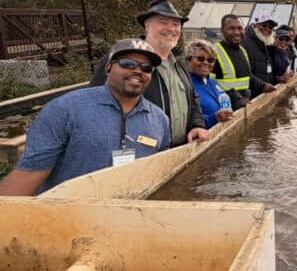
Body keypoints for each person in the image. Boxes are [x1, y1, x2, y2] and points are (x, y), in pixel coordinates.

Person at [0, 39, 170, 196]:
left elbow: (160, 173)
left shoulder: (160, 119)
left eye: (146, 67)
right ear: (108, 67)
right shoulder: (65, 109)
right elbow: (28, 173)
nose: (138, 71)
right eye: (128, 64)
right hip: (71, 220)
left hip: (130, 218)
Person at [90, 0, 208, 147]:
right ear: (147, 26)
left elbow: (193, 98)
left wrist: (197, 125)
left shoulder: (180, 64)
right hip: (140, 152)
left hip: (180, 151)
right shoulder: (122, 58)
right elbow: (95, 101)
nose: (171, 29)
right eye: (163, 22)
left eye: (176, 24)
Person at [213, 14, 275, 110]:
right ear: (222, 31)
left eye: (239, 28)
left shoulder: (242, 50)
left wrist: (262, 85)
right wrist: (235, 99)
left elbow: (247, 75)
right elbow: (208, 84)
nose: (237, 32)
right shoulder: (214, 52)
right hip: (224, 111)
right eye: (231, 28)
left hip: (243, 106)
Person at [186, 40, 234, 129]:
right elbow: (185, 121)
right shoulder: (185, 85)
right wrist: (214, 118)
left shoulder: (212, 82)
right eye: (200, 58)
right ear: (189, 60)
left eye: (210, 60)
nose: (206, 62)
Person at [243, 17, 277, 96]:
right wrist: (261, 85)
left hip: (264, 93)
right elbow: (244, 72)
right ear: (255, 26)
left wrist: (277, 79)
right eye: (263, 25)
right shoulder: (246, 43)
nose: (267, 29)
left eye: (270, 27)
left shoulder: (264, 42)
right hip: (252, 94)